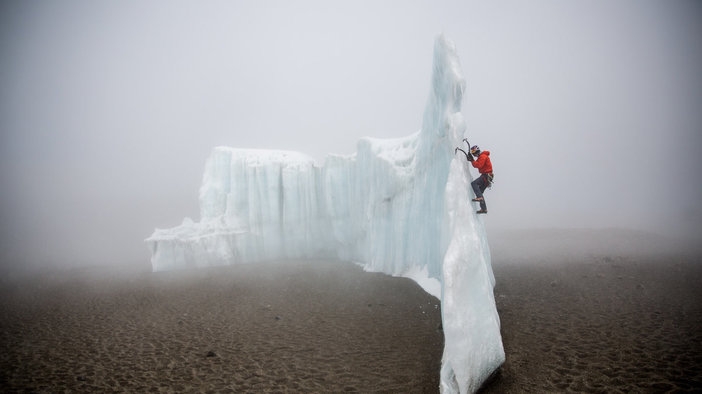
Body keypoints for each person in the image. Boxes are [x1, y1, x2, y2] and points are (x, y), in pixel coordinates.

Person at [455, 142, 493, 214]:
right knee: (480, 193)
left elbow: (478, 165)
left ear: (477, 151)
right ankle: (484, 209)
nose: (474, 155)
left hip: (486, 175)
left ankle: (480, 200)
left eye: (474, 153)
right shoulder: (481, 157)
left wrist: (472, 160)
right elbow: (476, 164)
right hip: (487, 176)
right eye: (473, 153)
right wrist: (471, 160)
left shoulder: (483, 156)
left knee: (474, 184)